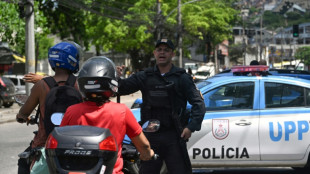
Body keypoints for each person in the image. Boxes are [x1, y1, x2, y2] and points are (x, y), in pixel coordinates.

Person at [116, 39, 206, 174]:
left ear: (172, 54)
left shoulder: (181, 77)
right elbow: (121, 88)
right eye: (159, 50)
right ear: (154, 53)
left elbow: (198, 103)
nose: (162, 53)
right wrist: (116, 77)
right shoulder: (145, 76)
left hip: (174, 136)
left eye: (166, 50)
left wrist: (190, 127)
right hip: (151, 138)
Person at [60, 56, 155, 174]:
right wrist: (147, 153)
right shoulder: (122, 111)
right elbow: (143, 145)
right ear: (111, 83)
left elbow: (61, 143)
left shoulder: (71, 111)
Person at [16, 41, 82, 174]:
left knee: (23, 163)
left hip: (45, 144)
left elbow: (24, 112)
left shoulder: (41, 85)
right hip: (77, 143)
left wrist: (22, 117)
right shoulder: (79, 84)